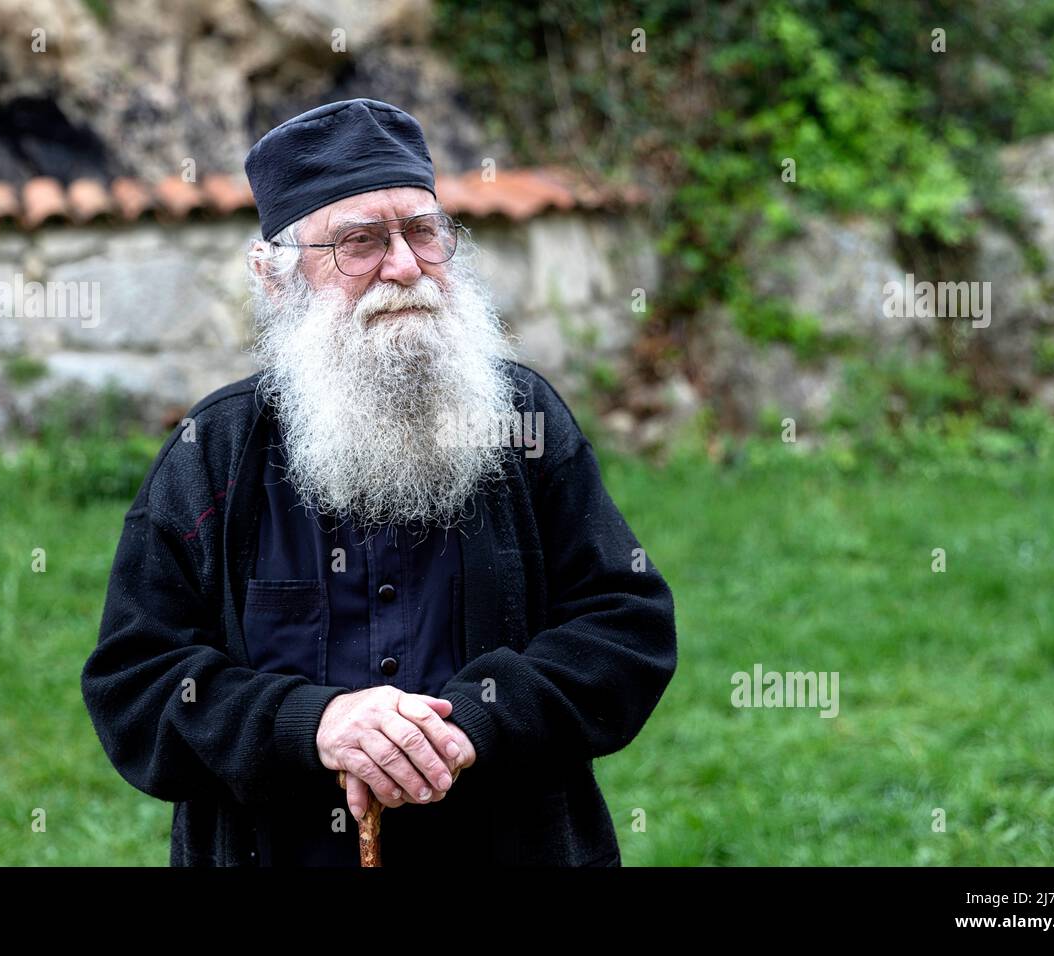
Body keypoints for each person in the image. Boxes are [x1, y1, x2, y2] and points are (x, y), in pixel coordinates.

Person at [80, 97, 677, 866]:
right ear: (276, 278)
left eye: (423, 233)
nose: (404, 268)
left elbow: (625, 627)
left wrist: (469, 721)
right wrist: (310, 725)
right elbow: (138, 686)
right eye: (359, 243)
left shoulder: (522, 422)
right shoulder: (214, 454)